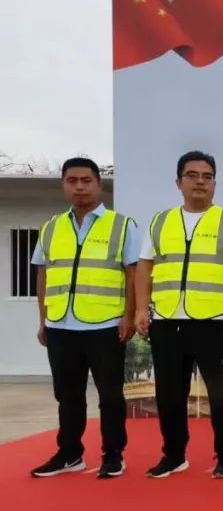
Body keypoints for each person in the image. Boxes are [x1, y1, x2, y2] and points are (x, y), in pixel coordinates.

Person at [134, 150, 223, 479]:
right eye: (192, 175)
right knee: (169, 395)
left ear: (215, 183)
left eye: (207, 176)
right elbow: (144, 267)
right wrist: (141, 308)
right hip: (167, 320)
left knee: (222, 394)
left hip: (214, 322)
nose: (200, 182)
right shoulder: (160, 221)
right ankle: (174, 455)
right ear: (179, 182)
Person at [30, 157, 139, 479]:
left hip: (105, 325)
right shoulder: (51, 227)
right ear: (64, 185)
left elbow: (133, 273)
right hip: (61, 325)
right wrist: (44, 318)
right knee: (67, 396)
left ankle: (113, 455)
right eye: (72, 181)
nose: (79, 187)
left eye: (86, 180)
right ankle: (70, 454)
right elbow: (43, 274)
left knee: (110, 396)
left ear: (98, 184)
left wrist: (129, 315)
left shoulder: (122, 225)